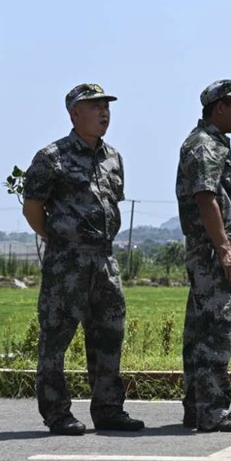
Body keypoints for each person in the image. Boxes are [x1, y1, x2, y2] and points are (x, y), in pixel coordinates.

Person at [22, 83, 144, 435]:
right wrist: (60, 240)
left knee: (109, 335)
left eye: (106, 106)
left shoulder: (113, 157)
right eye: (94, 106)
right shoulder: (51, 157)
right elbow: (32, 209)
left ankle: (108, 409)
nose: (104, 112)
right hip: (67, 263)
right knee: (56, 338)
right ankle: (57, 414)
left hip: (105, 261)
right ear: (74, 113)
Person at [176, 79, 231, 432]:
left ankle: (197, 407)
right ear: (218, 107)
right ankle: (212, 410)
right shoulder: (205, 146)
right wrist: (225, 249)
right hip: (211, 251)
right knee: (216, 332)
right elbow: (206, 197)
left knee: (200, 332)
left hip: (207, 249)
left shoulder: (211, 143)